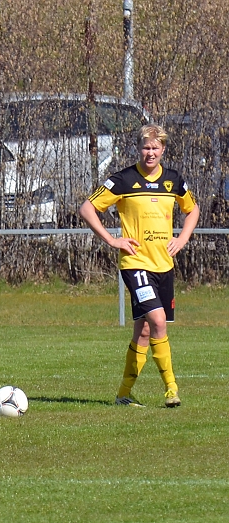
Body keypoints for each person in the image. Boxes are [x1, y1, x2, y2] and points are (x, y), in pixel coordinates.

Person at [78, 124, 199, 408]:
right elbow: (87, 208)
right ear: (139, 148)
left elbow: (193, 209)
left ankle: (123, 394)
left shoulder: (173, 180)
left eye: (155, 148)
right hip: (136, 264)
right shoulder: (123, 180)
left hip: (163, 265)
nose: (150, 153)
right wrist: (112, 240)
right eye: (146, 147)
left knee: (144, 331)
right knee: (158, 321)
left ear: (163, 149)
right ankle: (171, 389)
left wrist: (182, 238)